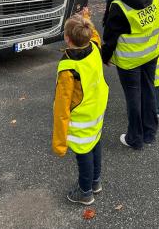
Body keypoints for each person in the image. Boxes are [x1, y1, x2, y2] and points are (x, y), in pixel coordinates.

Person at [102, 0, 159, 149]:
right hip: (151, 53)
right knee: (148, 91)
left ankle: (135, 138)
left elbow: (109, 37)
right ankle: (149, 132)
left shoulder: (119, 4)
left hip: (130, 61)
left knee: (133, 98)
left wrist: (105, 57)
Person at [52, 11, 109, 206]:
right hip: (97, 109)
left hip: (81, 117)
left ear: (67, 38)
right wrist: (86, 18)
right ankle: (95, 182)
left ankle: (85, 192)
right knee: (95, 144)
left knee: (83, 152)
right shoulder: (94, 46)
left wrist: (59, 143)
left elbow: (61, 106)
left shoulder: (68, 67)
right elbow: (95, 35)